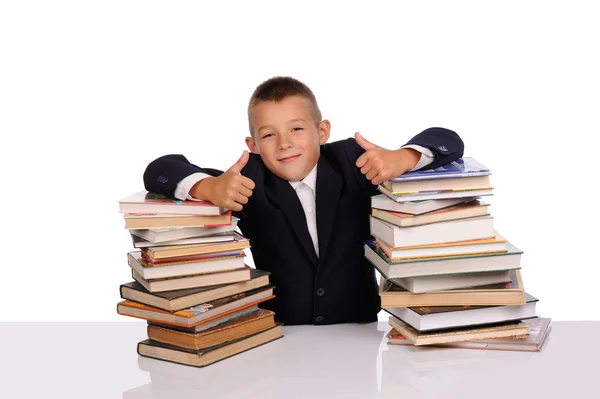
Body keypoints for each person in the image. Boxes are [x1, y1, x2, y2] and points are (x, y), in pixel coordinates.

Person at [143, 76, 464, 325]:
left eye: (296, 128)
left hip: (361, 331)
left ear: (321, 131)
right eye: (269, 135)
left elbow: (448, 139)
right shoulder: (246, 178)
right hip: (280, 332)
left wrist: (403, 158)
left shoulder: (353, 161)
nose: (284, 144)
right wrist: (207, 187)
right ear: (252, 144)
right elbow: (160, 169)